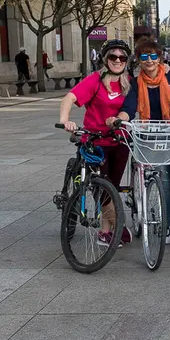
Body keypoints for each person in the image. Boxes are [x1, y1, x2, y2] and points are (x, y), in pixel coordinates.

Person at [109, 39, 170, 251]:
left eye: (153, 56)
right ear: (138, 60)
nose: (149, 61)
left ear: (160, 58)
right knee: (165, 184)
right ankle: (169, 228)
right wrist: (118, 118)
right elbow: (129, 108)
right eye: (144, 57)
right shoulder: (136, 83)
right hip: (156, 140)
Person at [58, 39, 134, 246]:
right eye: (113, 57)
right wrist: (65, 120)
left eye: (122, 57)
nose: (117, 61)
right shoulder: (95, 80)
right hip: (95, 141)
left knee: (113, 187)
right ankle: (113, 227)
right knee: (103, 187)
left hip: (119, 140)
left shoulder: (129, 81)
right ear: (105, 59)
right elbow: (69, 99)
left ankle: (109, 228)